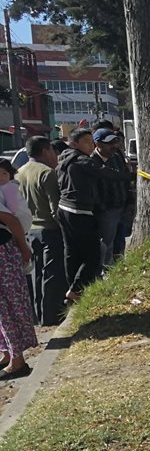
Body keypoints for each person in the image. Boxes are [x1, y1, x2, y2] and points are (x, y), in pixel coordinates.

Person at [57, 127, 122, 301]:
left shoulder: (64, 158)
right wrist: (127, 174)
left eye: (91, 141)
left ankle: (73, 290)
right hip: (78, 211)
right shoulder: (81, 160)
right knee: (94, 254)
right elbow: (104, 173)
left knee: (72, 252)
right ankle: (76, 289)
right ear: (74, 143)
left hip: (64, 209)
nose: (90, 146)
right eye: (86, 142)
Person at [16, 137, 66, 325]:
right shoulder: (47, 173)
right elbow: (56, 208)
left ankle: (37, 314)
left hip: (29, 230)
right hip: (49, 229)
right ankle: (50, 316)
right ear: (45, 151)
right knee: (51, 274)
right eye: (52, 151)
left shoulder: (19, 173)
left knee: (36, 274)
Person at [0, 184, 36, 380]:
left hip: (3, 256)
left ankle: (18, 361)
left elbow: (11, 221)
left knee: (7, 309)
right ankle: (7, 354)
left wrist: (24, 248)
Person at [91, 128, 134, 270]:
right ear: (98, 144)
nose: (114, 146)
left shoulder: (117, 157)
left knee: (120, 239)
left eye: (115, 142)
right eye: (109, 143)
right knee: (106, 242)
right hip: (106, 210)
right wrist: (103, 207)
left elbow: (126, 178)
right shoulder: (92, 161)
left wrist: (129, 200)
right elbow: (94, 189)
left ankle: (119, 267)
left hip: (122, 206)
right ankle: (105, 270)